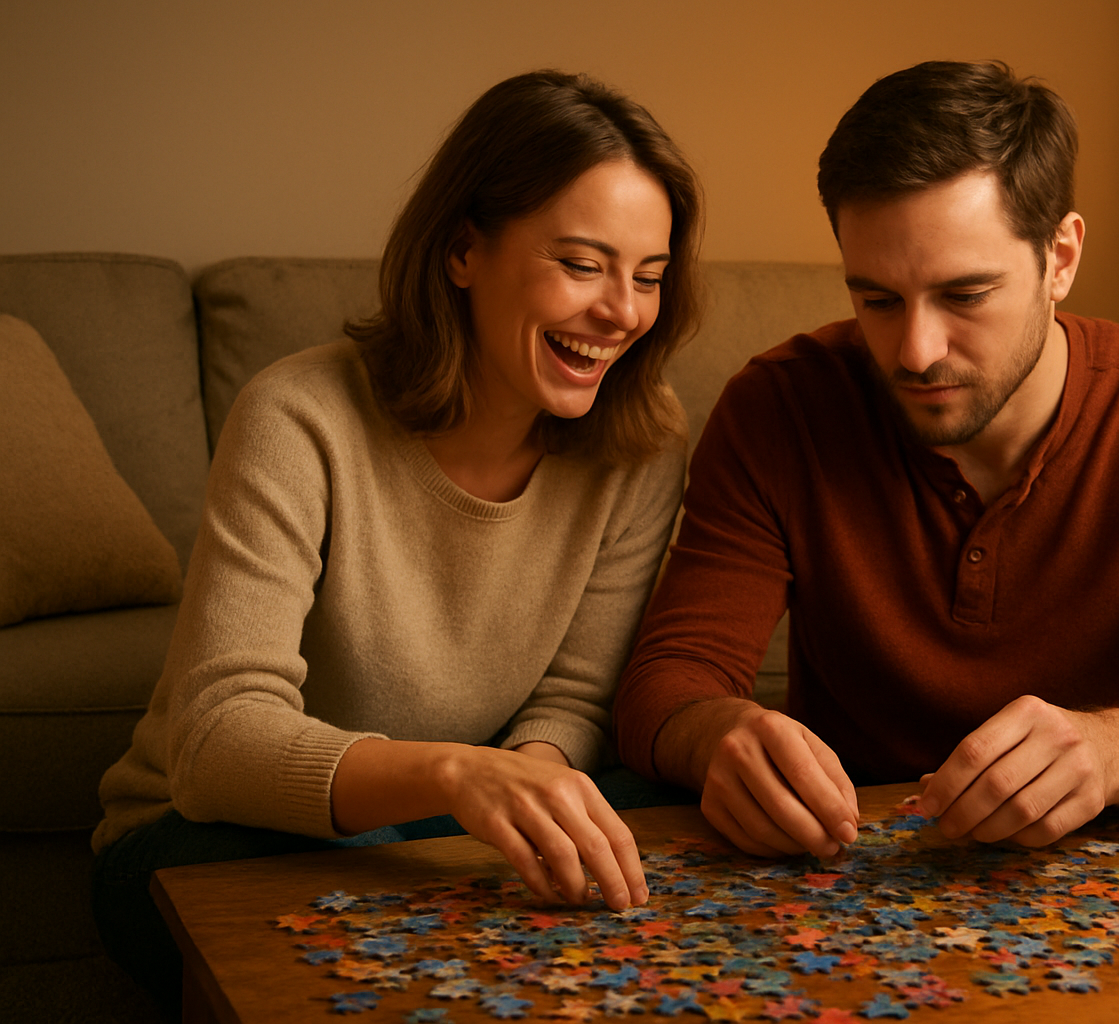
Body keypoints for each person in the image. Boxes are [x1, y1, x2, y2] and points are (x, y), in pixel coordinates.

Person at [91, 70, 702, 1015]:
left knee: (656, 816)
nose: (622, 311)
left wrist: (532, 784)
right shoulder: (298, 417)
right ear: (464, 250)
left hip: (447, 833)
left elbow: (575, 697)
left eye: (649, 277)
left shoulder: (640, 441)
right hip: (213, 834)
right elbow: (214, 745)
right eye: (583, 265)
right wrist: (458, 776)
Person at [613, 60, 1119, 864]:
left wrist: (1109, 751)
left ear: (1060, 257)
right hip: (846, 843)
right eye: (877, 300)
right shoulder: (779, 406)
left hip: (1103, 828)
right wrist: (721, 734)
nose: (915, 352)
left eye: (965, 296)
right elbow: (666, 684)